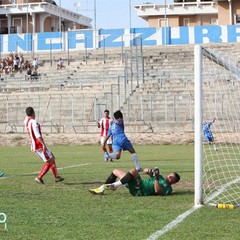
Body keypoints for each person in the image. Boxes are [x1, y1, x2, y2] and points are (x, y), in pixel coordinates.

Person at [24, 107, 64, 184]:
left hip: (34, 145)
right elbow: (37, 135)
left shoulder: (26, 120)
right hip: (38, 145)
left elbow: (27, 117)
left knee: (52, 157)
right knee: (50, 161)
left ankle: (57, 177)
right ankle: (39, 177)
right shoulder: (33, 122)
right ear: (33, 113)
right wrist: (43, 145)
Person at [89, 167, 180, 196]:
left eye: (172, 177)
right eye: (169, 175)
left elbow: (158, 191)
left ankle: (114, 186)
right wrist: (150, 171)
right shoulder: (160, 177)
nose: (169, 177)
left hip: (140, 190)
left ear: (174, 182)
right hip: (136, 184)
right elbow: (144, 170)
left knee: (133, 171)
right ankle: (102, 189)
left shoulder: (169, 189)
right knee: (115, 171)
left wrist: (155, 178)